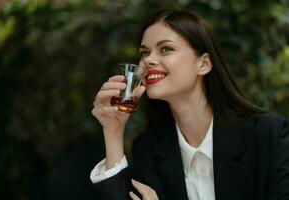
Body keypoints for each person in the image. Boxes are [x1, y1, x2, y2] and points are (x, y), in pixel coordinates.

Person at [90, 10, 289, 200]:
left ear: (203, 64)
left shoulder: (268, 136)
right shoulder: (149, 149)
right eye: (144, 52)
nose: (148, 60)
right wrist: (113, 131)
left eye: (165, 49)